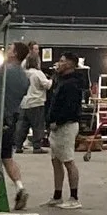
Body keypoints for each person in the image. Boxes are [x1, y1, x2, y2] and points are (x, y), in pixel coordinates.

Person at [44, 54, 89, 205]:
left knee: (68, 161)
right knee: (56, 160)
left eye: (62, 61)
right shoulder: (60, 81)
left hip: (66, 126)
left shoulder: (72, 84)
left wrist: (58, 121)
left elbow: (70, 107)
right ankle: (57, 196)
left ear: (70, 64)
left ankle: (74, 198)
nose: (59, 63)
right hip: (56, 126)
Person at [0, 50, 32, 210]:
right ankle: (20, 187)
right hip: (11, 119)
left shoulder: (1, 71)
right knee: (7, 157)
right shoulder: (23, 77)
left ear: (14, 53)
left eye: (10, 48)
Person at [18, 46, 52, 152]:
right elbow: (47, 85)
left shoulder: (23, 73)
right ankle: (37, 146)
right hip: (36, 102)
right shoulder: (38, 73)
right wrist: (51, 79)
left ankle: (18, 146)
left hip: (24, 103)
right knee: (38, 126)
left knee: (23, 126)